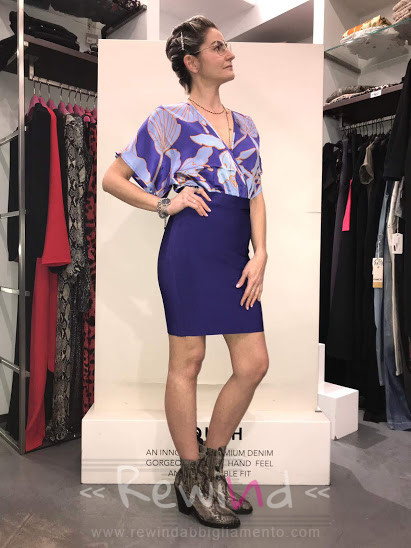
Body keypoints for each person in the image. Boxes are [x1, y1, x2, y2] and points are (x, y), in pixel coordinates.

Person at [102, 15, 269, 529]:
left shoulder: (247, 125)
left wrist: (261, 253)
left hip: (235, 252)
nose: (231, 53)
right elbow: (112, 178)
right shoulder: (167, 120)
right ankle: (195, 480)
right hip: (189, 249)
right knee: (189, 361)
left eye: (228, 46)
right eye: (219, 47)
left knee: (253, 363)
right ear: (192, 62)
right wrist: (164, 203)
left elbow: (256, 193)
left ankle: (210, 472)